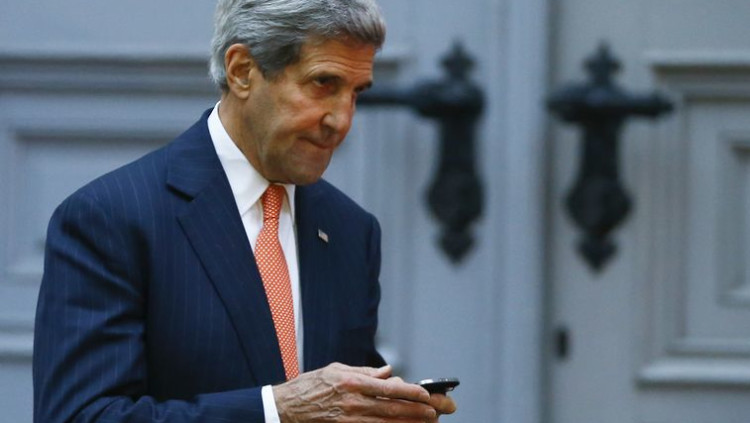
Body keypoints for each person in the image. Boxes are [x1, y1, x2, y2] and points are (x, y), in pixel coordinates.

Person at [32, 0, 457, 422]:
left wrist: (389, 410)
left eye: (356, 93)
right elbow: (80, 416)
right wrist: (276, 410)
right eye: (323, 83)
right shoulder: (111, 218)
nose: (342, 120)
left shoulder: (350, 229)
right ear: (242, 71)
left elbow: (337, 402)